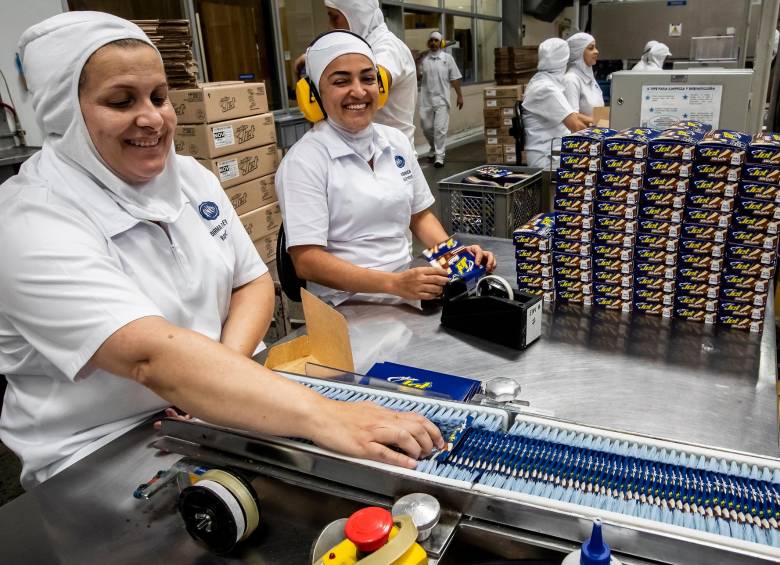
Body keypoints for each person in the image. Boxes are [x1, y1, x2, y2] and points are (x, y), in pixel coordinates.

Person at [0, 12, 443, 490]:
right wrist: (323, 416)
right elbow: (148, 357)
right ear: (64, 113)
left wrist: (219, 378)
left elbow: (252, 282)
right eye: (121, 101)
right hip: (99, 449)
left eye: (159, 97)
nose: (151, 118)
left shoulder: (190, 179)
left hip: (220, 402)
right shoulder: (27, 223)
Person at [276, 31, 495, 307]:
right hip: (343, 306)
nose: (359, 91)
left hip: (406, 292)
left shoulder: (395, 142)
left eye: (368, 78)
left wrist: (457, 258)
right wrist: (393, 284)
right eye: (341, 81)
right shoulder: (304, 161)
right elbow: (307, 261)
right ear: (314, 93)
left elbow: (420, 217)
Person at [295, 0, 418, 147]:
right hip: (360, 150)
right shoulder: (364, 47)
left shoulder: (388, 48)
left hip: (393, 155)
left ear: (358, 15)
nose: (331, 26)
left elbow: (379, 83)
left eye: (334, 17)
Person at [521, 38, 593, 169]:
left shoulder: (541, 81)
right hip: (547, 159)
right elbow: (576, 126)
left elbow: (571, 115)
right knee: (601, 163)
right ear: (563, 62)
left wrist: (597, 121)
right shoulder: (546, 89)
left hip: (554, 150)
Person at [417, 31, 464, 168]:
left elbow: (454, 78)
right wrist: (417, 62)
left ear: (440, 43)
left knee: (440, 129)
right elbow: (418, 77)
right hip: (426, 100)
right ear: (428, 43)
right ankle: (433, 148)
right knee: (426, 128)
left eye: (436, 40)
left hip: (442, 100)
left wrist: (460, 96)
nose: (433, 43)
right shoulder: (424, 60)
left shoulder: (447, 58)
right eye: (431, 40)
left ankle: (439, 156)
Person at [563, 32, 604, 117]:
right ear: (578, 53)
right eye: (591, 48)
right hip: (584, 130)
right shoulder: (571, 80)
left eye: (595, 47)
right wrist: (600, 123)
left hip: (597, 128)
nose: (596, 51)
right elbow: (573, 117)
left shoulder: (589, 78)